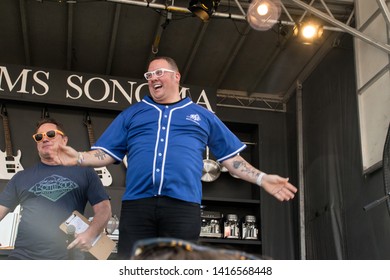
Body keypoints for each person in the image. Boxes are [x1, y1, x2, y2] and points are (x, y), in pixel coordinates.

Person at [52, 56, 298, 259]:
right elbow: (106, 153)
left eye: (159, 72)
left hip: (183, 207)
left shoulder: (202, 116)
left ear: (176, 76)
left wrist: (262, 178)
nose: (153, 79)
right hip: (138, 206)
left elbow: (231, 161)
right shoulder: (133, 114)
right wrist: (79, 158)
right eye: (149, 76)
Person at [0, 118, 112, 260]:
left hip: (66, 259)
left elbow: (104, 209)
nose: (45, 139)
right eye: (39, 137)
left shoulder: (85, 172)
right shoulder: (21, 177)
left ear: (64, 140)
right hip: (23, 257)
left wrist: (91, 233)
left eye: (51, 134)